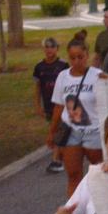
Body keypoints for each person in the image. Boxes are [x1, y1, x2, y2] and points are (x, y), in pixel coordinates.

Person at [47, 31, 103, 197]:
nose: (77, 61)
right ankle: (74, 210)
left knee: (99, 173)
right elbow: (58, 106)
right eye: (73, 58)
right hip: (71, 131)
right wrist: (52, 132)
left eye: (80, 57)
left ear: (87, 55)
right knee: (73, 175)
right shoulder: (63, 77)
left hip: (94, 131)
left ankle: (100, 209)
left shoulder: (98, 76)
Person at [33, 37, 69, 173]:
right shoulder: (39, 67)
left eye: (52, 47)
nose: (49, 50)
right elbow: (37, 88)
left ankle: (56, 160)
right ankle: (63, 154)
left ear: (57, 49)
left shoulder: (63, 66)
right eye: (46, 47)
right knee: (55, 129)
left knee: (58, 130)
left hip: (62, 104)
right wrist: (37, 105)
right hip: (48, 104)